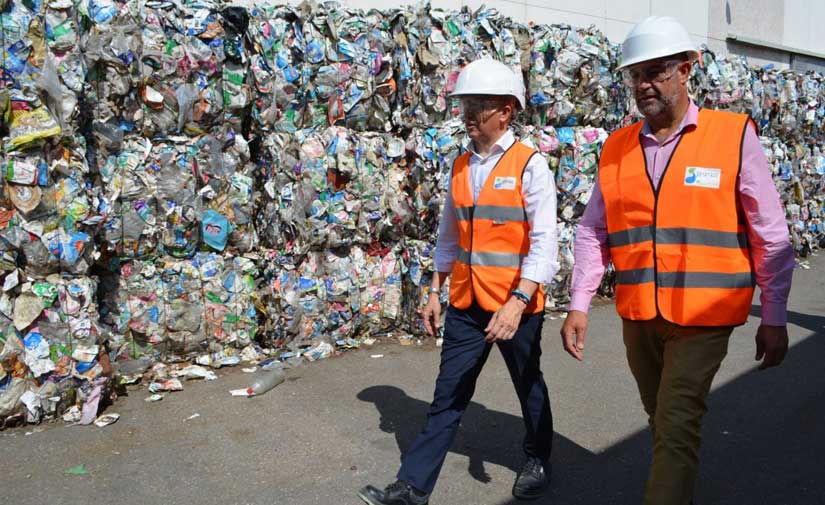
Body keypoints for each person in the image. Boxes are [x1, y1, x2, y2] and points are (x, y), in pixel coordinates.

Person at [560, 16, 795, 505]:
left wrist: (773, 315)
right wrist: (579, 302)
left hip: (705, 317)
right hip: (639, 315)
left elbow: (770, 234)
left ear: (688, 69)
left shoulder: (731, 136)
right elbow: (592, 230)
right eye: (635, 75)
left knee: (675, 421)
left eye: (656, 71)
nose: (643, 84)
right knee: (663, 419)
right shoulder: (617, 147)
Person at [358, 57, 560, 505]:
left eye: (478, 106)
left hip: (517, 305)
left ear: (507, 110)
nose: (468, 115)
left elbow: (546, 245)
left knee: (528, 384)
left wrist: (517, 302)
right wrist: (434, 291)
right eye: (464, 105)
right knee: (448, 394)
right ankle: (413, 488)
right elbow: (449, 235)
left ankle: (538, 458)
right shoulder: (461, 167)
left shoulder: (531, 167)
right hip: (467, 303)